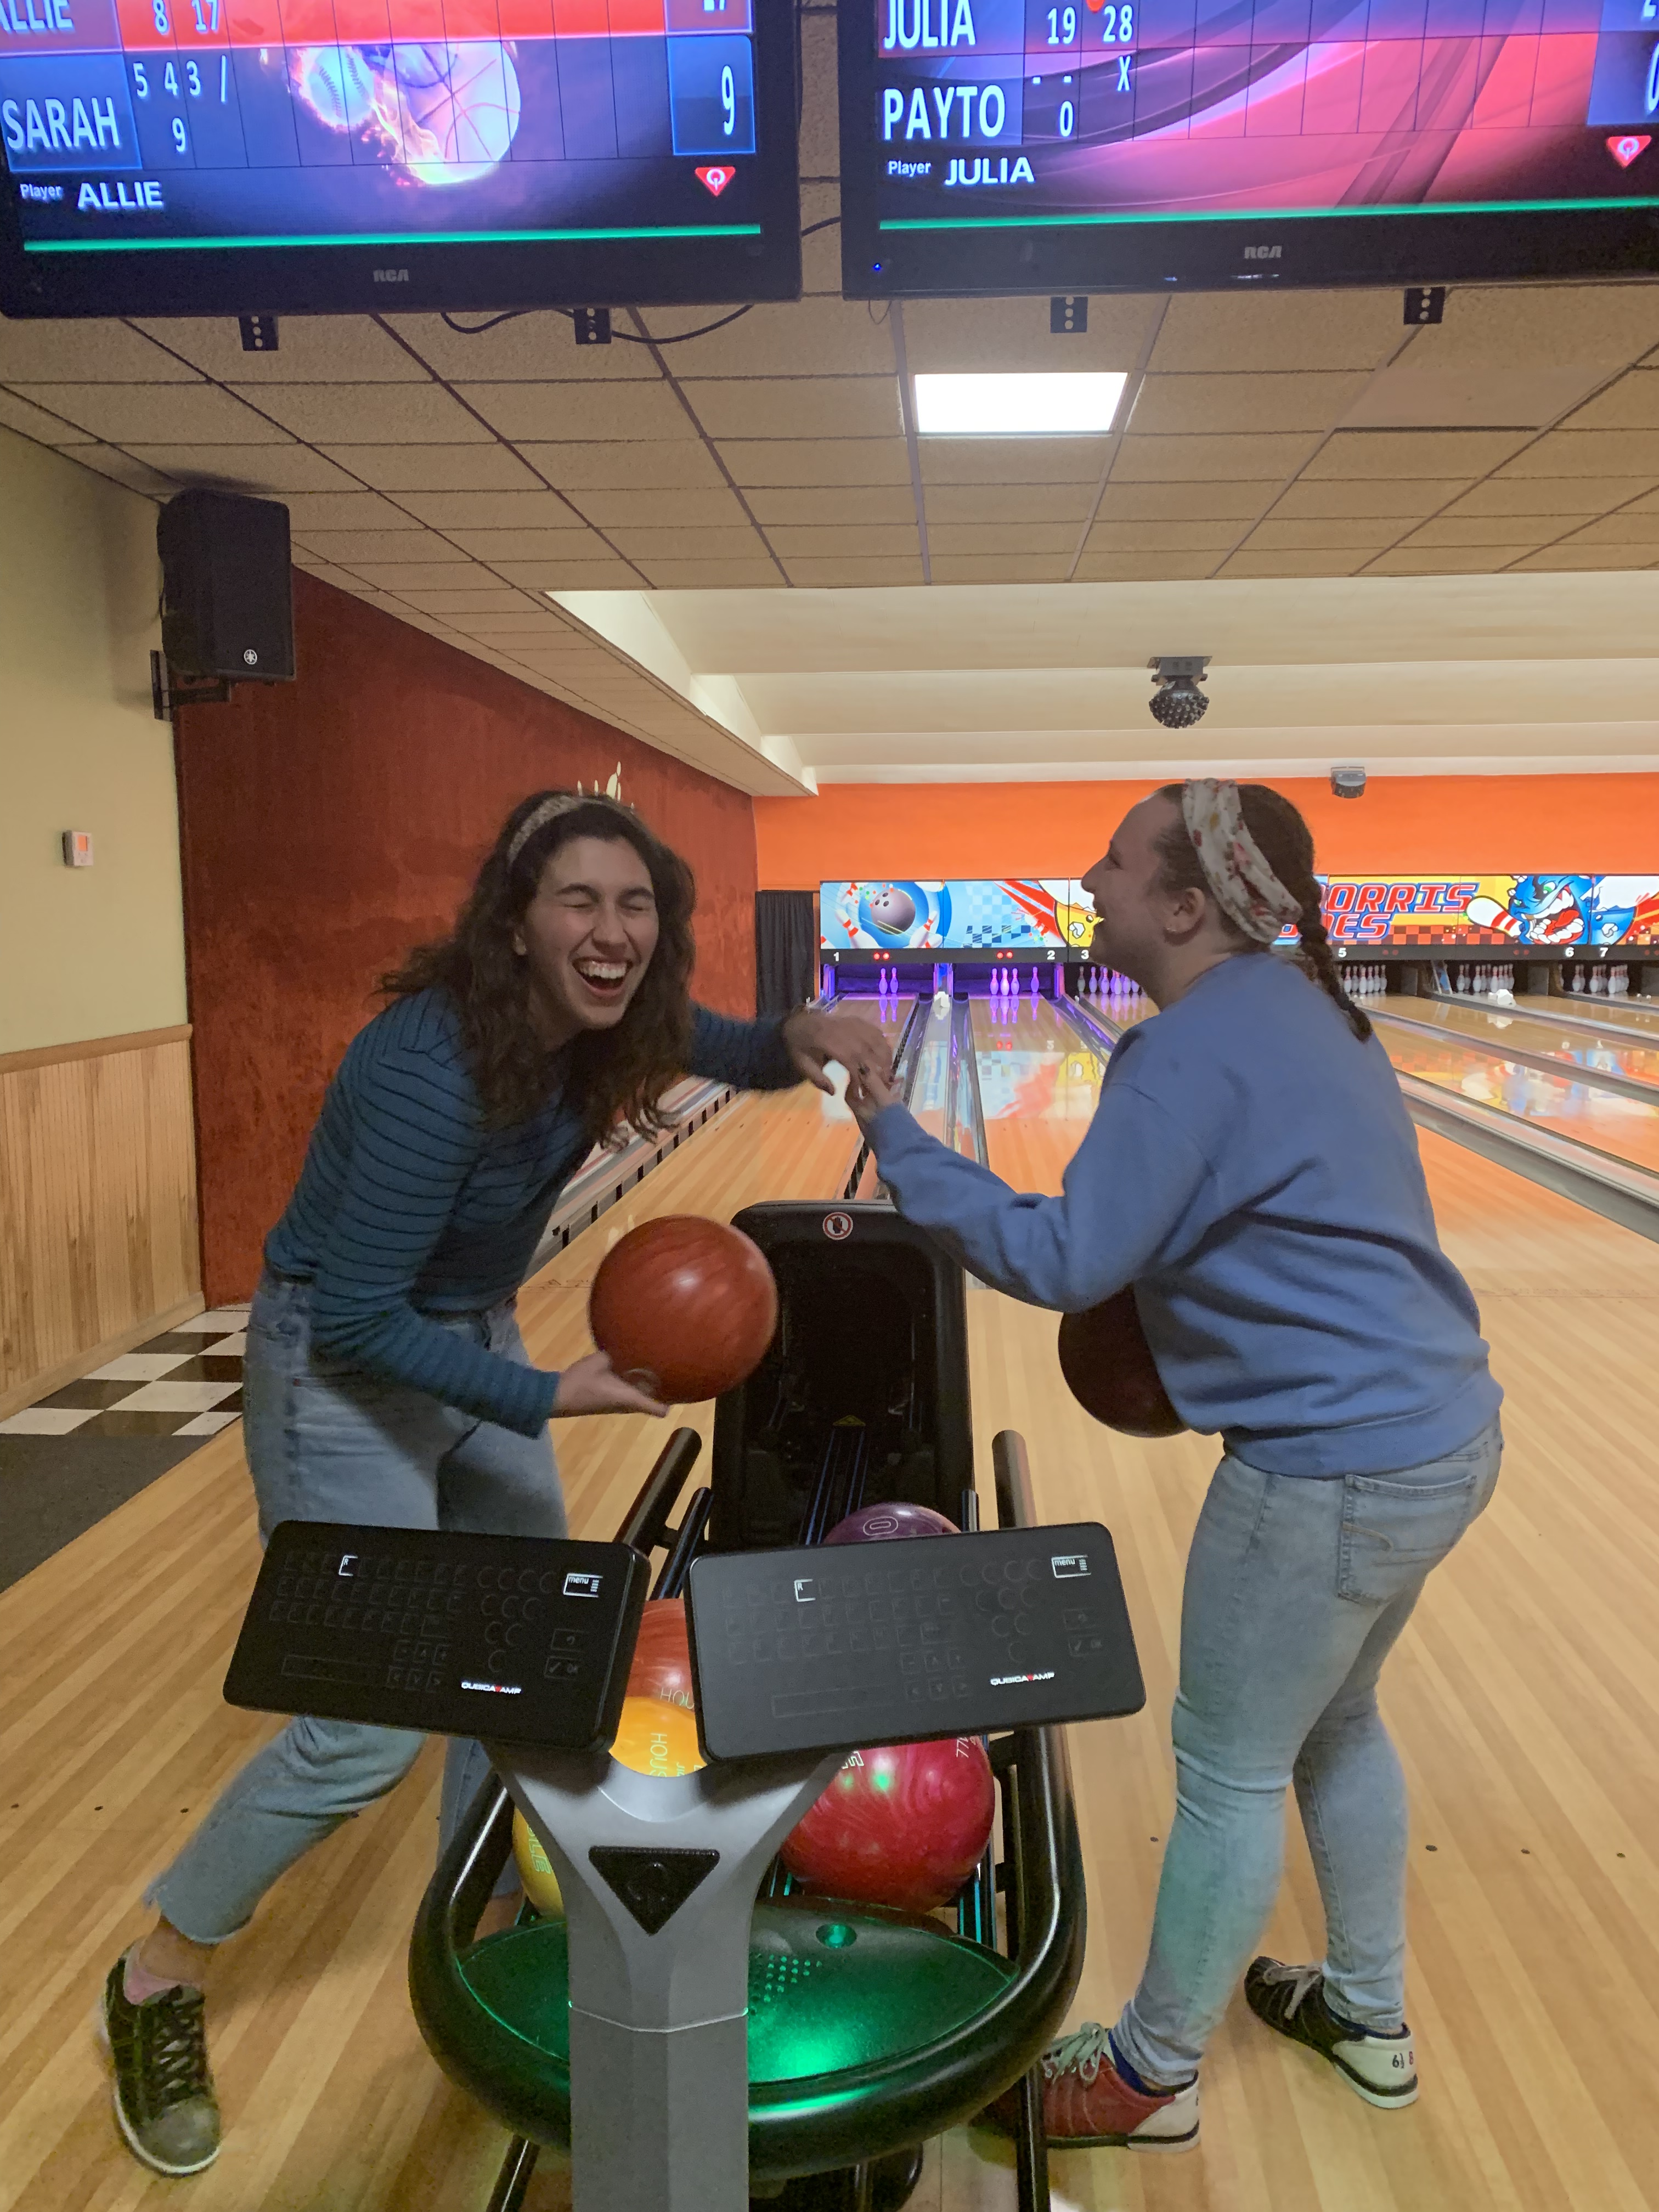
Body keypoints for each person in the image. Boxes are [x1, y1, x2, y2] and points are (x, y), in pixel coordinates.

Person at [100, 789, 890, 2178]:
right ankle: (157, 1976)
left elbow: (723, 1045)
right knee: (361, 1734)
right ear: (515, 921)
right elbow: (353, 1313)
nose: (612, 930)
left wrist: (802, 1039)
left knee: (528, 1660)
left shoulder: (606, 1025)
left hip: (466, 1332)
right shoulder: (430, 1069)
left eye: (635, 904)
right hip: (341, 1373)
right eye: (578, 901)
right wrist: (551, 1394)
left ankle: (473, 1922)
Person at [846, 780, 1502, 2152]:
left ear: (1187, 904)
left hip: (1327, 1472)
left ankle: (1149, 2076)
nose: (1089, 875)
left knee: (1228, 1766)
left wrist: (897, 1132)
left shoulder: (1190, 1052)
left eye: (1117, 859)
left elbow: (1068, 1258)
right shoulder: (1307, 1007)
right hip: (1441, 1432)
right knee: (1335, 1725)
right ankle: (1367, 2015)